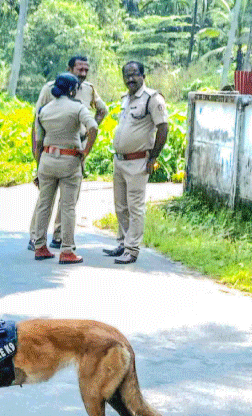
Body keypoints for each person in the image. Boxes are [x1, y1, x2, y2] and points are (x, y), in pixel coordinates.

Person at [28, 55, 108, 251]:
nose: (83, 73)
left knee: (55, 200)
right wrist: (86, 149)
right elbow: (36, 128)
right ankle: (65, 248)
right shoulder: (51, 90)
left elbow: (102, 111)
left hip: (57, 151)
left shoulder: (88, 90)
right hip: (67, 154)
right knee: (65, 203)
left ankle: (49, 240)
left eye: (86, 70)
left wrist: (82, 142)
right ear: (70, 69)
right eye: (79, 69)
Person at [103, 61, 169, 264]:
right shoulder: (126, 99)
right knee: (121, 206)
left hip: (138, 162)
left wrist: (154, 157)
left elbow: (163, 128)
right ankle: (123, 243)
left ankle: (132, 250)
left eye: (134, 75)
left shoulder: (152, 98)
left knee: (135, 207)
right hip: (120, 161)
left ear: (143, 76)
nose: (130, 79)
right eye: (126, 75)